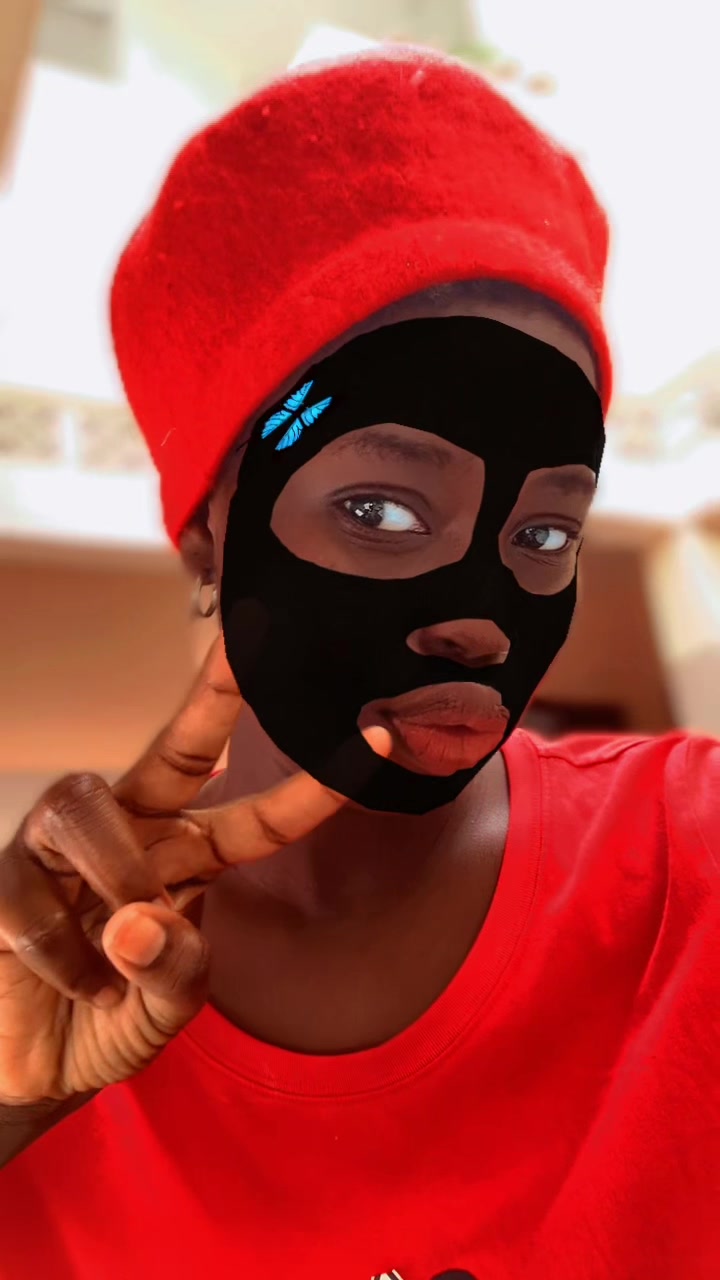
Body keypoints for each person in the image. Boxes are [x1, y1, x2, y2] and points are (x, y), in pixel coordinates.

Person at [0, 45, 718, 1280]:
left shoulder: (690, 863)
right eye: (382, 509)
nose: (483, 622)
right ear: (208, 527)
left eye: (545, 532)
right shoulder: (46, 995)